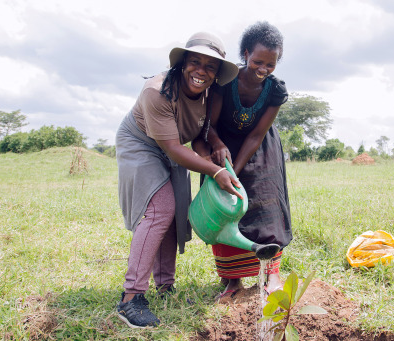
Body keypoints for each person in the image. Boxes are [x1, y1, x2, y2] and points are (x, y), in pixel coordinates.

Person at [115, 32, 240, 328]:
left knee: (174, 213)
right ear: (183, 63)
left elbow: (198, 132)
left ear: (217, 74)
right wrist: (215, 171)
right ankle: (131, 298)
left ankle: (166, 287)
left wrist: (213, 147)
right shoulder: (156, 92)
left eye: (210, 67)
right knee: (160, 209)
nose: (201, 71)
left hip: (173, 146)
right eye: (195, 62)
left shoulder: (209, 93)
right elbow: (172, 147)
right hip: (141, 142)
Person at [203, 22, 292, 298]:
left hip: (262, 149)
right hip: (223, 148)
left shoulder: (275, 91)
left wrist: (237, 174)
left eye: (271, 64)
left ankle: (270, 275)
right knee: (227, 210)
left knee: (267, 209)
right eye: (257, 61)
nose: (263, 69)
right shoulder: (225, 81)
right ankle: (233, 280)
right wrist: (222, 162)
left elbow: (256, 136)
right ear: (245, 54)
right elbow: (209, 125)